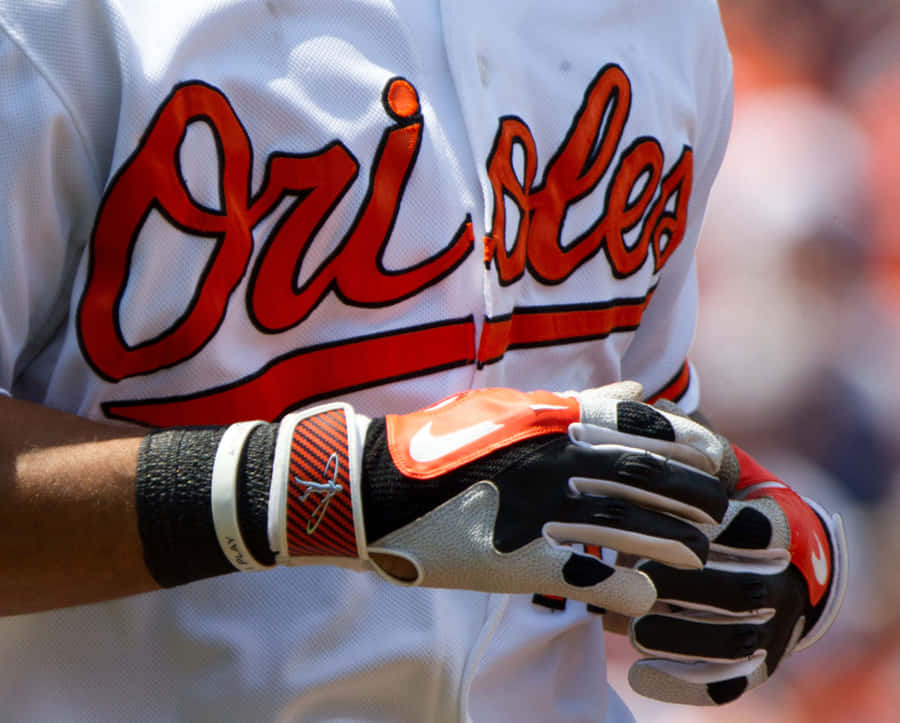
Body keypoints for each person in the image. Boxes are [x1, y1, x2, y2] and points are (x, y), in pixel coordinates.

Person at [0, 1, 846, 720]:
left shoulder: (667, 23)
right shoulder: (68, 21)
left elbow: (605, 429)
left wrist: (734, 539)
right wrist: (327, 490)